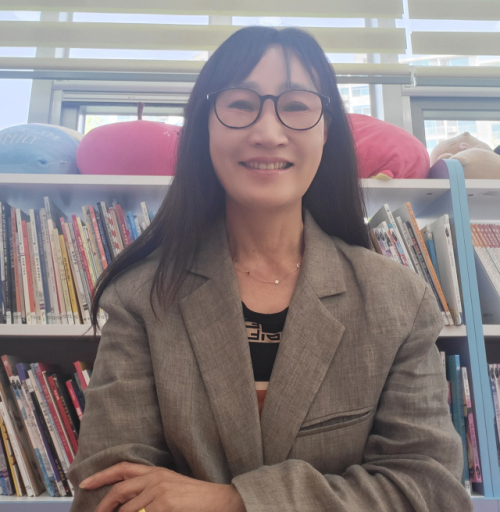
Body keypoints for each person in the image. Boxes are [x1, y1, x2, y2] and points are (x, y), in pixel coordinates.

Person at [66, 26, 473, 512]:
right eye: (240, 104)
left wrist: (233, 502)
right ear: (204, 128)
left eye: (296, 106)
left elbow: (429, 491)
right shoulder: (143, 297)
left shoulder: (398, 301)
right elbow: (107, 491)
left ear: (326, 130)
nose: (267, 132)